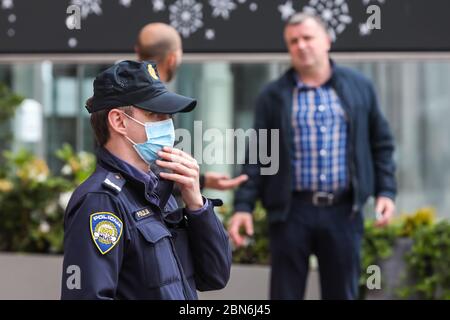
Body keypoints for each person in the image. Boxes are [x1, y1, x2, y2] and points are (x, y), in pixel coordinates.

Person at [228, 12, 397, 300]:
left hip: (344, 211)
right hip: (291, 212)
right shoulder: (273, 95)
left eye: (308, 38)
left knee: (342, 293)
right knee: (285, 294)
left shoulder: (360, 87)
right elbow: (258, 153)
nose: (301, 45)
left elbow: (380, 143)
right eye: (293, 41)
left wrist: (386, 191)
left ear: (327, 41)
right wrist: (243, 206)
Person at [61, 60, 231, 299]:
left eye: (168, 115)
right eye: (155, 114)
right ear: (119, 121)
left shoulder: (159, 191)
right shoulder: (101, 201)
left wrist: (197, 205)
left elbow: (215, 276)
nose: (167, 124)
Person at [134, 22, 248, 191]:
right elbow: (145, 176)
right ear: (172, 58)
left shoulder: (122, 99)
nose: (164, 122)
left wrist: (200, 180)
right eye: (157, 116)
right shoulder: (137, 103)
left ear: (138, 51)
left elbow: (151, 173)